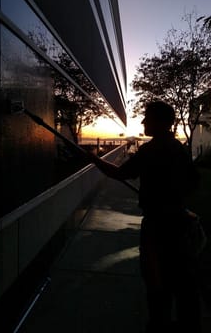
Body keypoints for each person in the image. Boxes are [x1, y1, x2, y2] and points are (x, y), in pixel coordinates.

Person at [86, 101, 201, 333]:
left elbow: (120, 173)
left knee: (156, 279)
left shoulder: (151, 150)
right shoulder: (178, 147)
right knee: (180, 277)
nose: (143, 122)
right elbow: (193, 181)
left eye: (147, 118)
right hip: (178, 222)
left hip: (158, 226)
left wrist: (93, 159)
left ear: (160, 122)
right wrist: (175, 202)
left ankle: (159, 325)